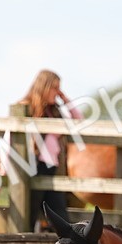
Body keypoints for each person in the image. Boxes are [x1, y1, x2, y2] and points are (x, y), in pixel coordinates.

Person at [19, 70, 81, 232]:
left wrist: (65, 99)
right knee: (29, 217)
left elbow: (78, 121)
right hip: (33, 167)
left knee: (60, 219)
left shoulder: (54, 112)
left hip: (51, 169)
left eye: (59, 89)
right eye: (54, 88)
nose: (57, 92)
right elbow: (11, 137)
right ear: (44, 87)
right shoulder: (25, 107)